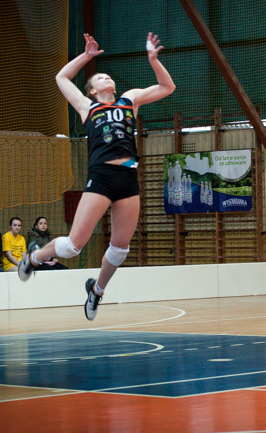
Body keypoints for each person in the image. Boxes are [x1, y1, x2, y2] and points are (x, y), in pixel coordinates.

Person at [18, 32, 176, 321]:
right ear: (91, 90)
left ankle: (97, 290)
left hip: (128, 177)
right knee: (71, 246)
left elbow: (168, 87)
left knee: (120, 250)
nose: (106, 78)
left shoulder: (129, 100)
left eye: (108, 76)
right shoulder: (86, 107)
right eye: (100, 77)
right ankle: (34, 257)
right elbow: (62, 78)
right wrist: (86, 56)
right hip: (101, 177)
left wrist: (154, 60)